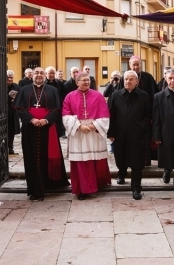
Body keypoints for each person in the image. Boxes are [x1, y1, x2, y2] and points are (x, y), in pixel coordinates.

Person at [13, 67, 69, 201]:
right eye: (36, 73)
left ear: (45, 76)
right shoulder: (24, 90)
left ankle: (46, 186)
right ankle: (33, 189)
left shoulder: (53, 90)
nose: (39, 75)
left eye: (41, 73)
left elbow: (57, 110)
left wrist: (46, 120)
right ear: (32, 75)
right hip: (29, 128)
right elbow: (20, 109)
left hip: (47, 129)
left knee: (45, 157)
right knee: (30, 158)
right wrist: (32, 120)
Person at [62, 72, 111, 200]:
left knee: (96, 160)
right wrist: (79, 126)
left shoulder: (98, 95)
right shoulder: (69, 96)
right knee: (81, 162)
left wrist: (92, 126)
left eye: (88, 80)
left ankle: (97, 185)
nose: (86, 82)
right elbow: (65, 115)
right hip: (78, 133)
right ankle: (82, 189)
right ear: (77, 82)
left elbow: (105, 115)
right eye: (83, 80)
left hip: (94, 132)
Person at [108, 70, 151, 200]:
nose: (128, 81)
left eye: (131, 79)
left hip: (137, 134)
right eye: (126, 79)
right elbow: (111, 115)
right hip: (120, 134)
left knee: (137, 162)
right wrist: (111, 132)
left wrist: (142, 127)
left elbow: (148, 115)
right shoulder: (116, 95)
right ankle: (121, 173)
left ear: (137, 81)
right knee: (120, 157)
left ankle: (136, 188)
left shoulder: (144, 96)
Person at [119, 56, 158, 165]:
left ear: (141, 65)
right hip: (127, 118)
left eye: (138, 64)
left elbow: (155, 96)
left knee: (144, 142)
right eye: (133, 64)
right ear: (130, 65)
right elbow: (117, 97)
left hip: (143, 117)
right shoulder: (125, 77)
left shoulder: (148, 77)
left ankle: (144, 161)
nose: (136, 67)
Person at [45, 66, 66, 137]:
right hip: (46, 108)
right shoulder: (43, 84)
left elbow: (63, 95)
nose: (51, 75)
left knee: (57, 127)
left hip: (57, 108)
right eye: (49, 73)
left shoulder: (59, 84)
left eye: (53, 73)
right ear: (46, 74)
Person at [7, 70, 21, 155]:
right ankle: (4, 148)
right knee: (4, 130)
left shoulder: (16, 86)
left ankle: (10, 148)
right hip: (4, 112)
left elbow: (20, 97)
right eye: (8, 77)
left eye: (11, 77)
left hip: (13, 111)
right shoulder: (1, 86)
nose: (9, 79)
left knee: (12, 131)